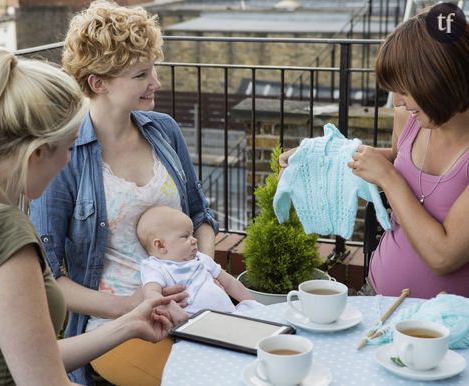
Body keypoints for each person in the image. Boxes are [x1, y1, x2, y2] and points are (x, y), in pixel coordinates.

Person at [0, 46, 178, 386]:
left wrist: (129, 323)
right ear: (37, 152)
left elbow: (32, 357)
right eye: (70, 147)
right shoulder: (0, 231)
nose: (71, 161)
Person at [28, 1, 219, 385]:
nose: (156, 82)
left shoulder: (164, 131)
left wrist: (204, 274)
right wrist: (130, 306)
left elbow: (201, 217)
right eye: (140, 74)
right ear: (98, 83)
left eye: (153, 69)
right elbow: (47, 277)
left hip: (195, 305)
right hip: (117, 324)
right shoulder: (64, 157)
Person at [281, 7, 469, 298]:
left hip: (446, 331)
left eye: (404, 90)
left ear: (440, 81)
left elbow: (443, 256)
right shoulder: (409, 118)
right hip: (377, 295)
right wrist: (318, 157)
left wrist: (388, 179)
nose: (397, 100)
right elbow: (398, 158)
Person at [137, 206, 261, 315]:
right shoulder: (156, 267)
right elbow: (152, 295)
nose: (194, 240)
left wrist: (251, 303)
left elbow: (229, 283)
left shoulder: (201, 258)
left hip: (230, 316)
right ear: (160, 246)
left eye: (192, 235)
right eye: (185, 236)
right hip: (192, 325)